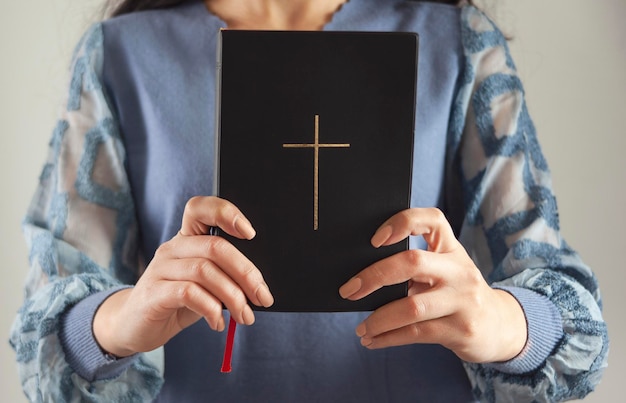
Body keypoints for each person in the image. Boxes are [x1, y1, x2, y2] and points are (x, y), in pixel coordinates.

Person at [10, 0, 608, 401]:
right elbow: (44, 334)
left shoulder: (457, 45)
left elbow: (571, 316)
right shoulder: (121, 57)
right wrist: (116, 323)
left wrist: (503, 323)